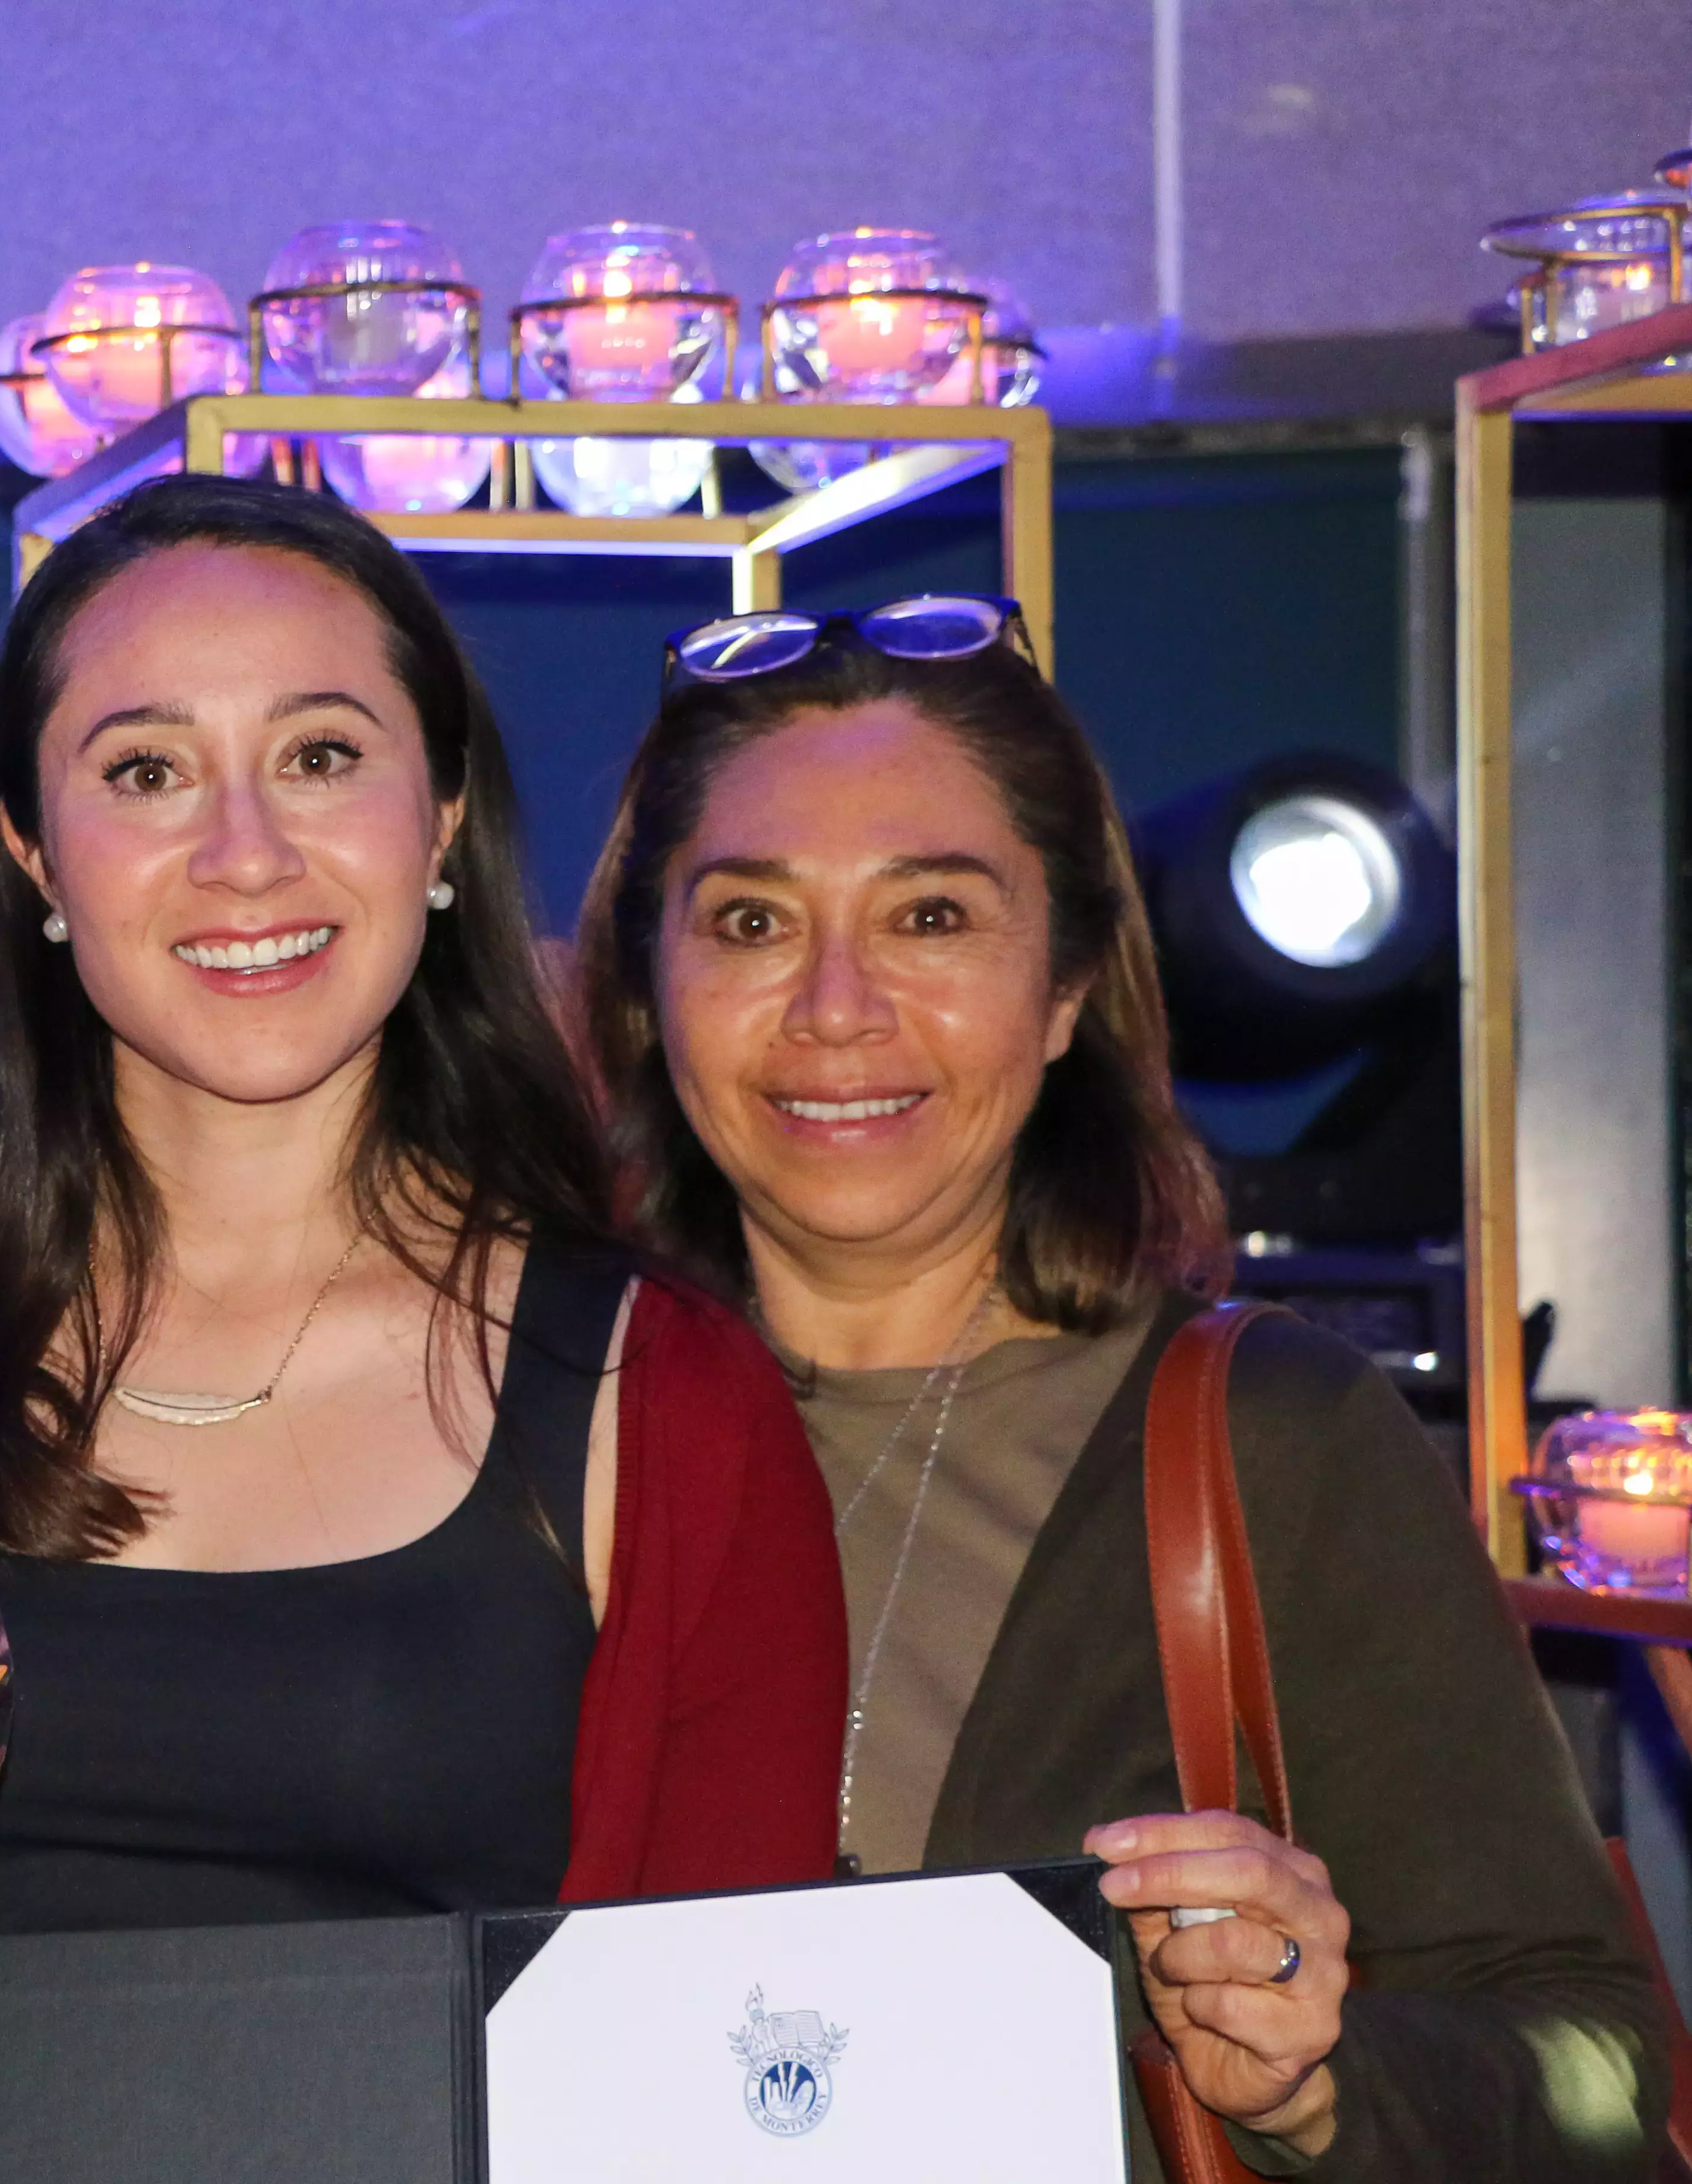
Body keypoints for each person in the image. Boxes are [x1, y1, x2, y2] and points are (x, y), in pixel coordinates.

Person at [0, 474, 846, 1936]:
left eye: (321, 755)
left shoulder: (671, 1403)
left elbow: (726, 2059)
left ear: (445, 815)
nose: (245, 854)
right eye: (147, 772)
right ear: (32, 848)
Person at [575, 593, 1663, 2178]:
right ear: (651, 986)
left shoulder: (1271, 1446)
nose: (835, 1006)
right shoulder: (525, 1429)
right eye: (750, 922)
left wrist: (1315, 2077)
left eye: (931, 917)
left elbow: (1600, 2069)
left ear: (1069, 987)